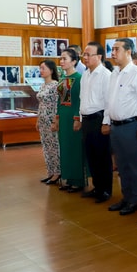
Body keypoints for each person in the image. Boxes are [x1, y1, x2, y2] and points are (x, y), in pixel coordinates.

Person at [103, 38, 137, 216]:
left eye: (117, 49)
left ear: (129, 52)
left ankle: (135, 199)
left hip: (131, 125)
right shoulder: (114, 73)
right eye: (112, 49)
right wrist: (106, 121)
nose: (113, 53)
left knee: (134, 165)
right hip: (116, 126)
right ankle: (126, 197)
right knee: (121, 165)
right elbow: (109, 101)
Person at [79, 41, 113, 203]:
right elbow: (82, 98)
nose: (84, 57)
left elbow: (109, 101)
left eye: (88, 54)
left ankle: (106, 190)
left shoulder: (106, 75)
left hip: (99, 119)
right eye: (84, 54)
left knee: (102, 156)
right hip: (86, 120)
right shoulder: (86, 74)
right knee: (91, 155)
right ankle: (97, 187)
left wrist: (106, 122)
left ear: (99, 56)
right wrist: (79, 118)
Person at [52, 48, 87, 193]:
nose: (61, 61)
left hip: (73, 116)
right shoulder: (62, 79)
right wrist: (57, 118)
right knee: (65, 148)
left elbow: (79, 101)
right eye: (60, 59)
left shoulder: (79, 78)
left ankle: (78, 181)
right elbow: (60, 101)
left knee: (75, 149)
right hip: (63, 116)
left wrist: (77, 118)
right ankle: (68, 178)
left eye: (65, 59)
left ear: (74, 61)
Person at [36, 60, 60, 185]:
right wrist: (38, 119)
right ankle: (50, 171)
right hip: (43, 119)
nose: (41, 71)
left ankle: (57, 172)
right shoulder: (43, 85)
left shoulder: (55, 85)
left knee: (54, 146)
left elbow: (57, 104)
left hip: (51, 119)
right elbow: (41, 104)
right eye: (40, 68)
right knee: (46, 147)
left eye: (43, 68)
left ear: (51, 70)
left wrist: (55, 121)